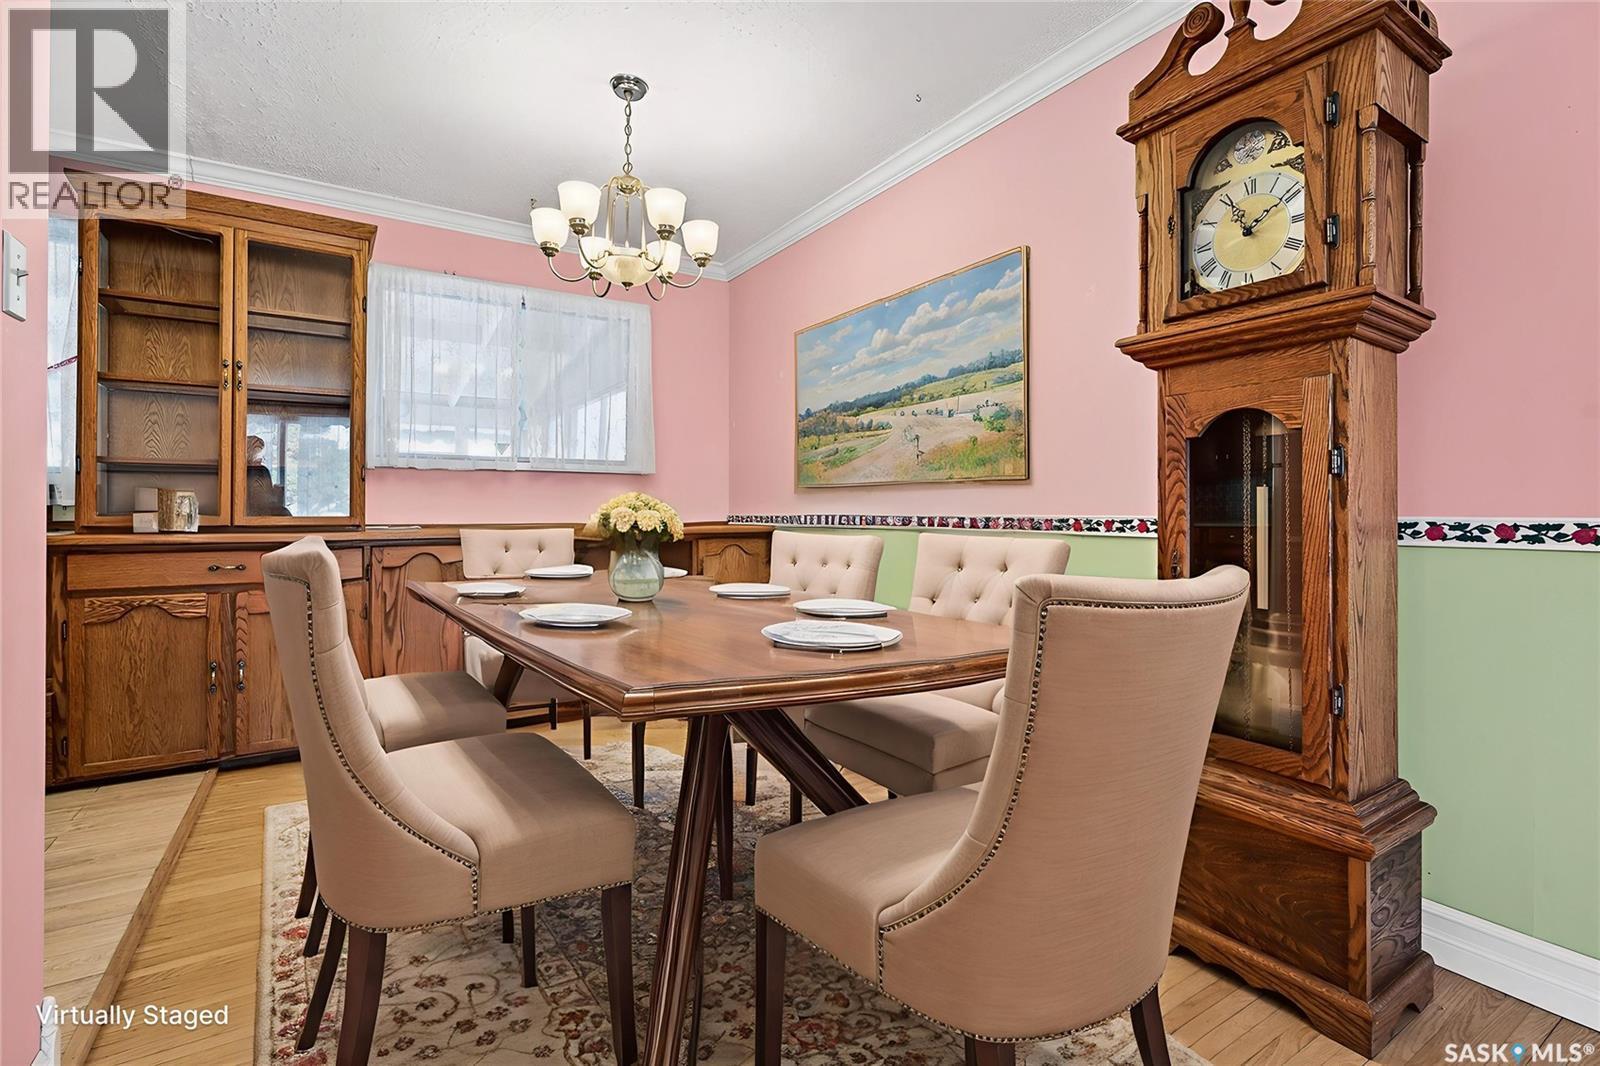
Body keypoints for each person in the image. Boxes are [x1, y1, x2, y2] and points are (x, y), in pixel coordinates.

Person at [246, 435, 292, 516]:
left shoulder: (261, 471)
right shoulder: (257, 472)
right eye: (258, 459)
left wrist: (276, 496)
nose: (261, 461)